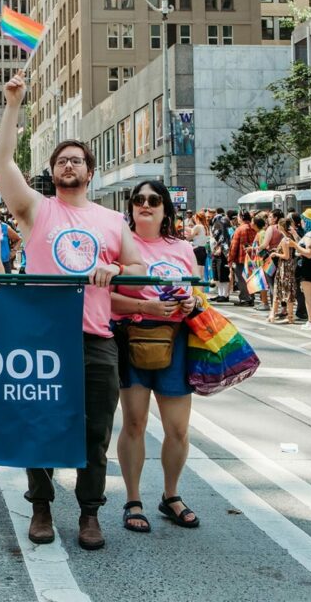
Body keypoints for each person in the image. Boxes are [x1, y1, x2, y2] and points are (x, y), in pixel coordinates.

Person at [0, 69, 146, 551]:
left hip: (96, 340)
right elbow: (1, 163)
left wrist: (115, 270)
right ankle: (41, 507)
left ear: (89, 171)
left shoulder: (111, 218)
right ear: (52, 171)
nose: (68, 166)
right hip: (40, 339)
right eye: (61, 160)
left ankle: (88, 514)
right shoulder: (36, 209)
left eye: (76, 160)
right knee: (38, 425)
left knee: (94, 433)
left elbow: (139, 264)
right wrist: (13, 104)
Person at [111, 181, 200, 534]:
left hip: (175, 340)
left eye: (153, 200)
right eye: (138, 200)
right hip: (132, 336)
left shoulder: (183, 249)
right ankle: (133, 499)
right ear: (130, 207)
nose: (145, 205)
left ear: (165, 208)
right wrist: (144, 305)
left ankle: (171, 495)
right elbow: (105, 299)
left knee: (177, 428)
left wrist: (192, 301)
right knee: (134, 423)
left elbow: (196, 292)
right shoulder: (118, 247)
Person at [269, 214, 301, 324]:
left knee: (279, 291)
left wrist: (275, 254)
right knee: (289, 292)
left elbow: (286, 256)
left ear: (281, 227)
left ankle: (273, 315)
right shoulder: (290, 238)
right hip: (290, 267)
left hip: (284, 268)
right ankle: (289, 316)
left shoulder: (285, 240)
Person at [228, 211, 257, 307]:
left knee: (241, 279)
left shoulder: (239, 229)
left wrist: (230, 259)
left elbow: (234, 246)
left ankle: (245, 298)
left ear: (241, 217)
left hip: (241, 259)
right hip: (253, 258)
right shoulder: (254, 227)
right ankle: (251, 297)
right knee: (250, 278)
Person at [210, 209, 231, 301]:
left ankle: (225, 295)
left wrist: (220, 248)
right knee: (217, 274)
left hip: (222, 252)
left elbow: (224, 238)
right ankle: (220, 294)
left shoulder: (221, 222)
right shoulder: (215, 223)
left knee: (223, 274)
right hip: (215, 251)